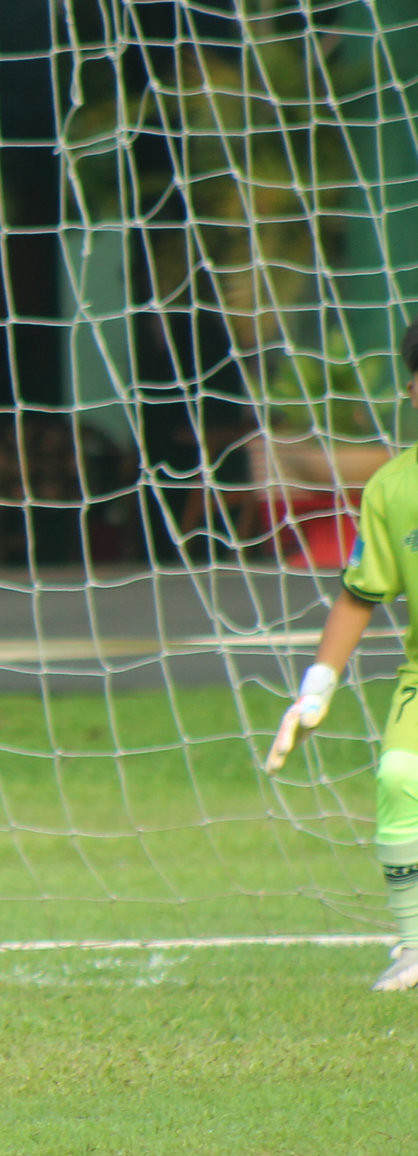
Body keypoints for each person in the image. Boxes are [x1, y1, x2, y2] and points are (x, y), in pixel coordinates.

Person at [267, 318, 418, 993]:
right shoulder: (391, 488)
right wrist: (318, 686)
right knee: (397, 776)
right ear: (413, 393)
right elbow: (360, 594)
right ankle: (415, 944)